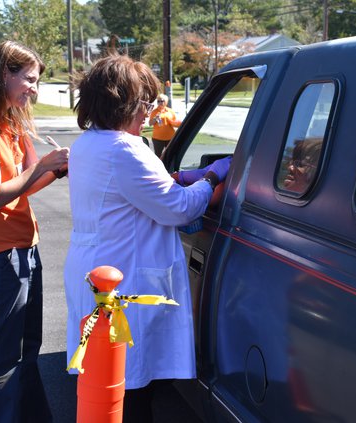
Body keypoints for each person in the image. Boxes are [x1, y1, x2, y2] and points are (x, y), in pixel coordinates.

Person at [63, 53, 231, 423]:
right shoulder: (125, 149)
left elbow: (137, 194)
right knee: (129, 386)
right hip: (125, 277)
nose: (149, 112)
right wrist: (213, 177)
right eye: (145, 103)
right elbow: (179, 210)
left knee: (107, 378)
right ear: (122, 102)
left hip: (99, 268)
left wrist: (183, 178)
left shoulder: (89, 143)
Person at [0, 40, 69, 423]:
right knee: (1, 358)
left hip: (24, 247)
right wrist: (42, 167)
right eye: (30, 80)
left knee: (26, 351)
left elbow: (26, 185)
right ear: (5, 74)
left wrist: (58, 169)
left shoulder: (10, 121)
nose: (34, 89)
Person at [148, 93, 181, 157]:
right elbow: (150, 123)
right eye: (158, 101)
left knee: (170, 155)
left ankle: (168, 167)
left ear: (166, 102)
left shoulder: (170, 111)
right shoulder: (154, 112)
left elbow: (175, 122)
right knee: (158, 156)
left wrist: (177, 123)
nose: (160, 102)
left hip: (170, 137)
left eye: (162, 101)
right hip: (157, 138)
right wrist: (155, 118)